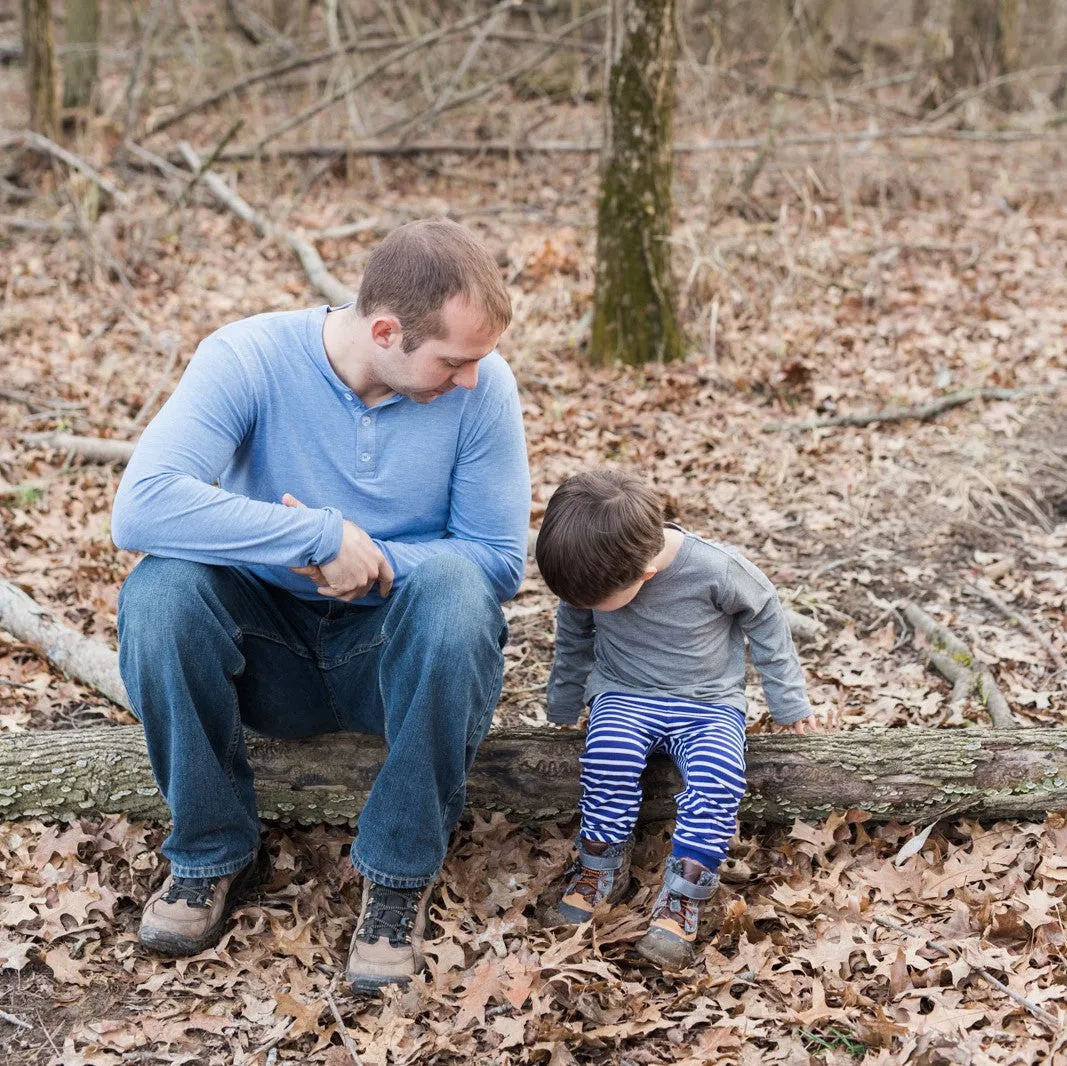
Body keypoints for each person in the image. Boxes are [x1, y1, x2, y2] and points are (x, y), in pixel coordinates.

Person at [111, 219, 531, 992]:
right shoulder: (248, 357)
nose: (470, 378)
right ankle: (210, 852)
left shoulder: (483, 392)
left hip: (392, 658)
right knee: (161, 590)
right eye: (454, 360)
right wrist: (314, 535)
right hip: (263, 652)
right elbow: (139, 509)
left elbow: (499, 559)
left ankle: (398, 875)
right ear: (384, 330)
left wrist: (372, 561)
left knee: (457, 594)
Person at [533, 469, 819, 970]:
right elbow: (573, 642)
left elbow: (766, 615)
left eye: (592, 604)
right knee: (606, 758)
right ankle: (601, 865)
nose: (582, 609)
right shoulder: (592, 575)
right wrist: (564, 703)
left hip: (707, 704)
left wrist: (789, 701)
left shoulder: (715, 569)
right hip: (624, 693)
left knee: (718, 778)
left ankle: (683, 895)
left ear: (643, 577)